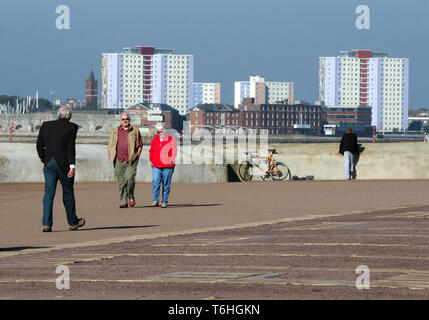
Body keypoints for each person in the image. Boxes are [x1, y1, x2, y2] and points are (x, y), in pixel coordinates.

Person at [36, 106, 85, 232]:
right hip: (64, 165)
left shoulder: (46, 125)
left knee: (48, 194)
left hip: (49, 163)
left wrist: (44, 159)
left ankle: (46, 224)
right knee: (68, 193)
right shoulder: (72, 127)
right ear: (70, 116)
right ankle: (73, 222)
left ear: (58, 115)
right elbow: (71, 147)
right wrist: (72, 165)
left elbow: (39, 145)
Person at [108, 113, 143, 208]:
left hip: (131, 160)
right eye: (123, 119)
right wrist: (111, 155)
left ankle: (130, 196)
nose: (125, 120)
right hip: (118, 160)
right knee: (121, 182)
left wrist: (137, 156)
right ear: (120, 120)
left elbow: (140, 145)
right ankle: (123, 201)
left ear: (129, 120)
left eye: (127, 119)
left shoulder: (135, 130)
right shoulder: (115, 131)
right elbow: (110, 144)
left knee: (129, 179)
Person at [149, 123, 177, 208]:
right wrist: (152, 159)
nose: (160, 132)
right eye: (158, 131)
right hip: (156, 165)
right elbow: (151, 151)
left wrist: (171, 160)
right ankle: (155, 200)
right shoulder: (154, 140)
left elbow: (174, 150)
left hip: (168, 166)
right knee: (156, 183)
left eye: (161, 130)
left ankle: (164, 201)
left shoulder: (171, 139)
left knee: (166, 184)